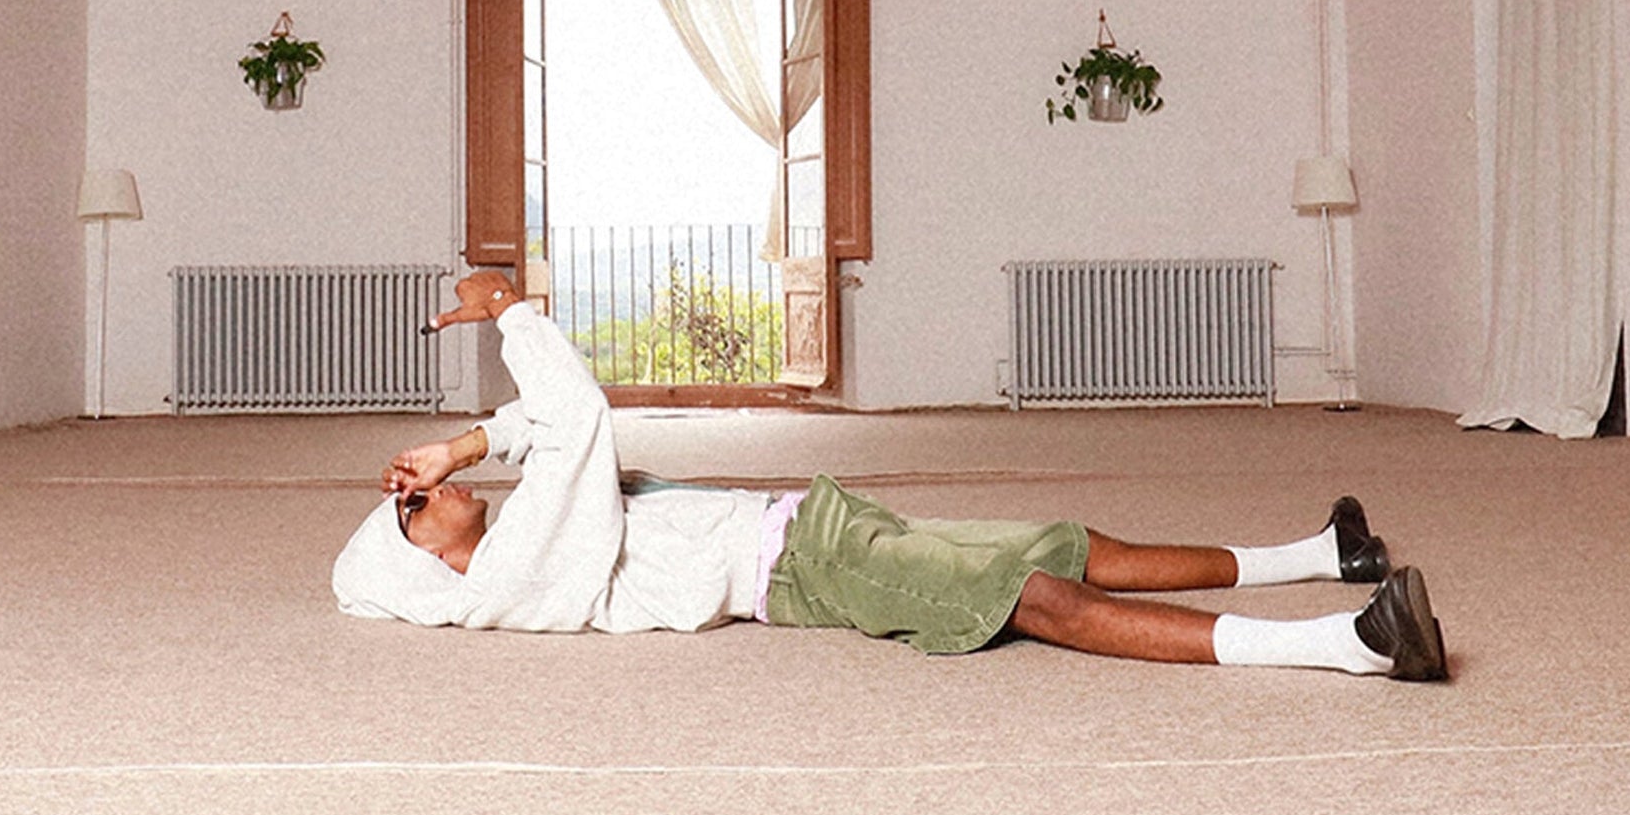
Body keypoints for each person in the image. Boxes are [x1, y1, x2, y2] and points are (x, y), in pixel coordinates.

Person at [332, 272, 1448, 680]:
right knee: (1037, 596)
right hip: (812, 570)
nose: (421, 489)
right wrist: (507, 308)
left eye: (409, 486)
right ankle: (1347, 647)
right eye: (412, 507)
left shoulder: (518, 535)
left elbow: (548, 438)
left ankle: (1319, 556)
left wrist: (458, 447)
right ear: (429, 563)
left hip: (813, 519)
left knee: (1066, 544)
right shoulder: (510, 577)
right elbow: (576, 417)